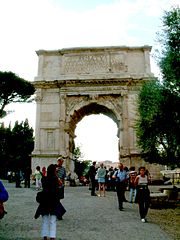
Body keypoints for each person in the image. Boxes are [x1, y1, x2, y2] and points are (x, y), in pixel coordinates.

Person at [34, 164, 65, 240]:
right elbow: (61, 185)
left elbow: (43, 184)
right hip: (53, 201)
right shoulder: (55, 179)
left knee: (45, 220)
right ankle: (52, 237)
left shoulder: (44, 179)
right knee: (53, 220)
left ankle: (44, 236)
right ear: (54, 171)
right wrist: (57, 176)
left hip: (44, 200)